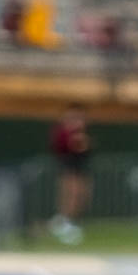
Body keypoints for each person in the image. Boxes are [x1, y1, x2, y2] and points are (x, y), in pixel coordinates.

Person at [48, 104, 92, 244]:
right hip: (69, 168)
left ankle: (69, 222)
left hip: (79, 169)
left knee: (81, 196)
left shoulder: (81, 133)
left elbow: (86, 150)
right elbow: (61, 148)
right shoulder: (63, 133)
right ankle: (63, 223)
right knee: (71, 195)